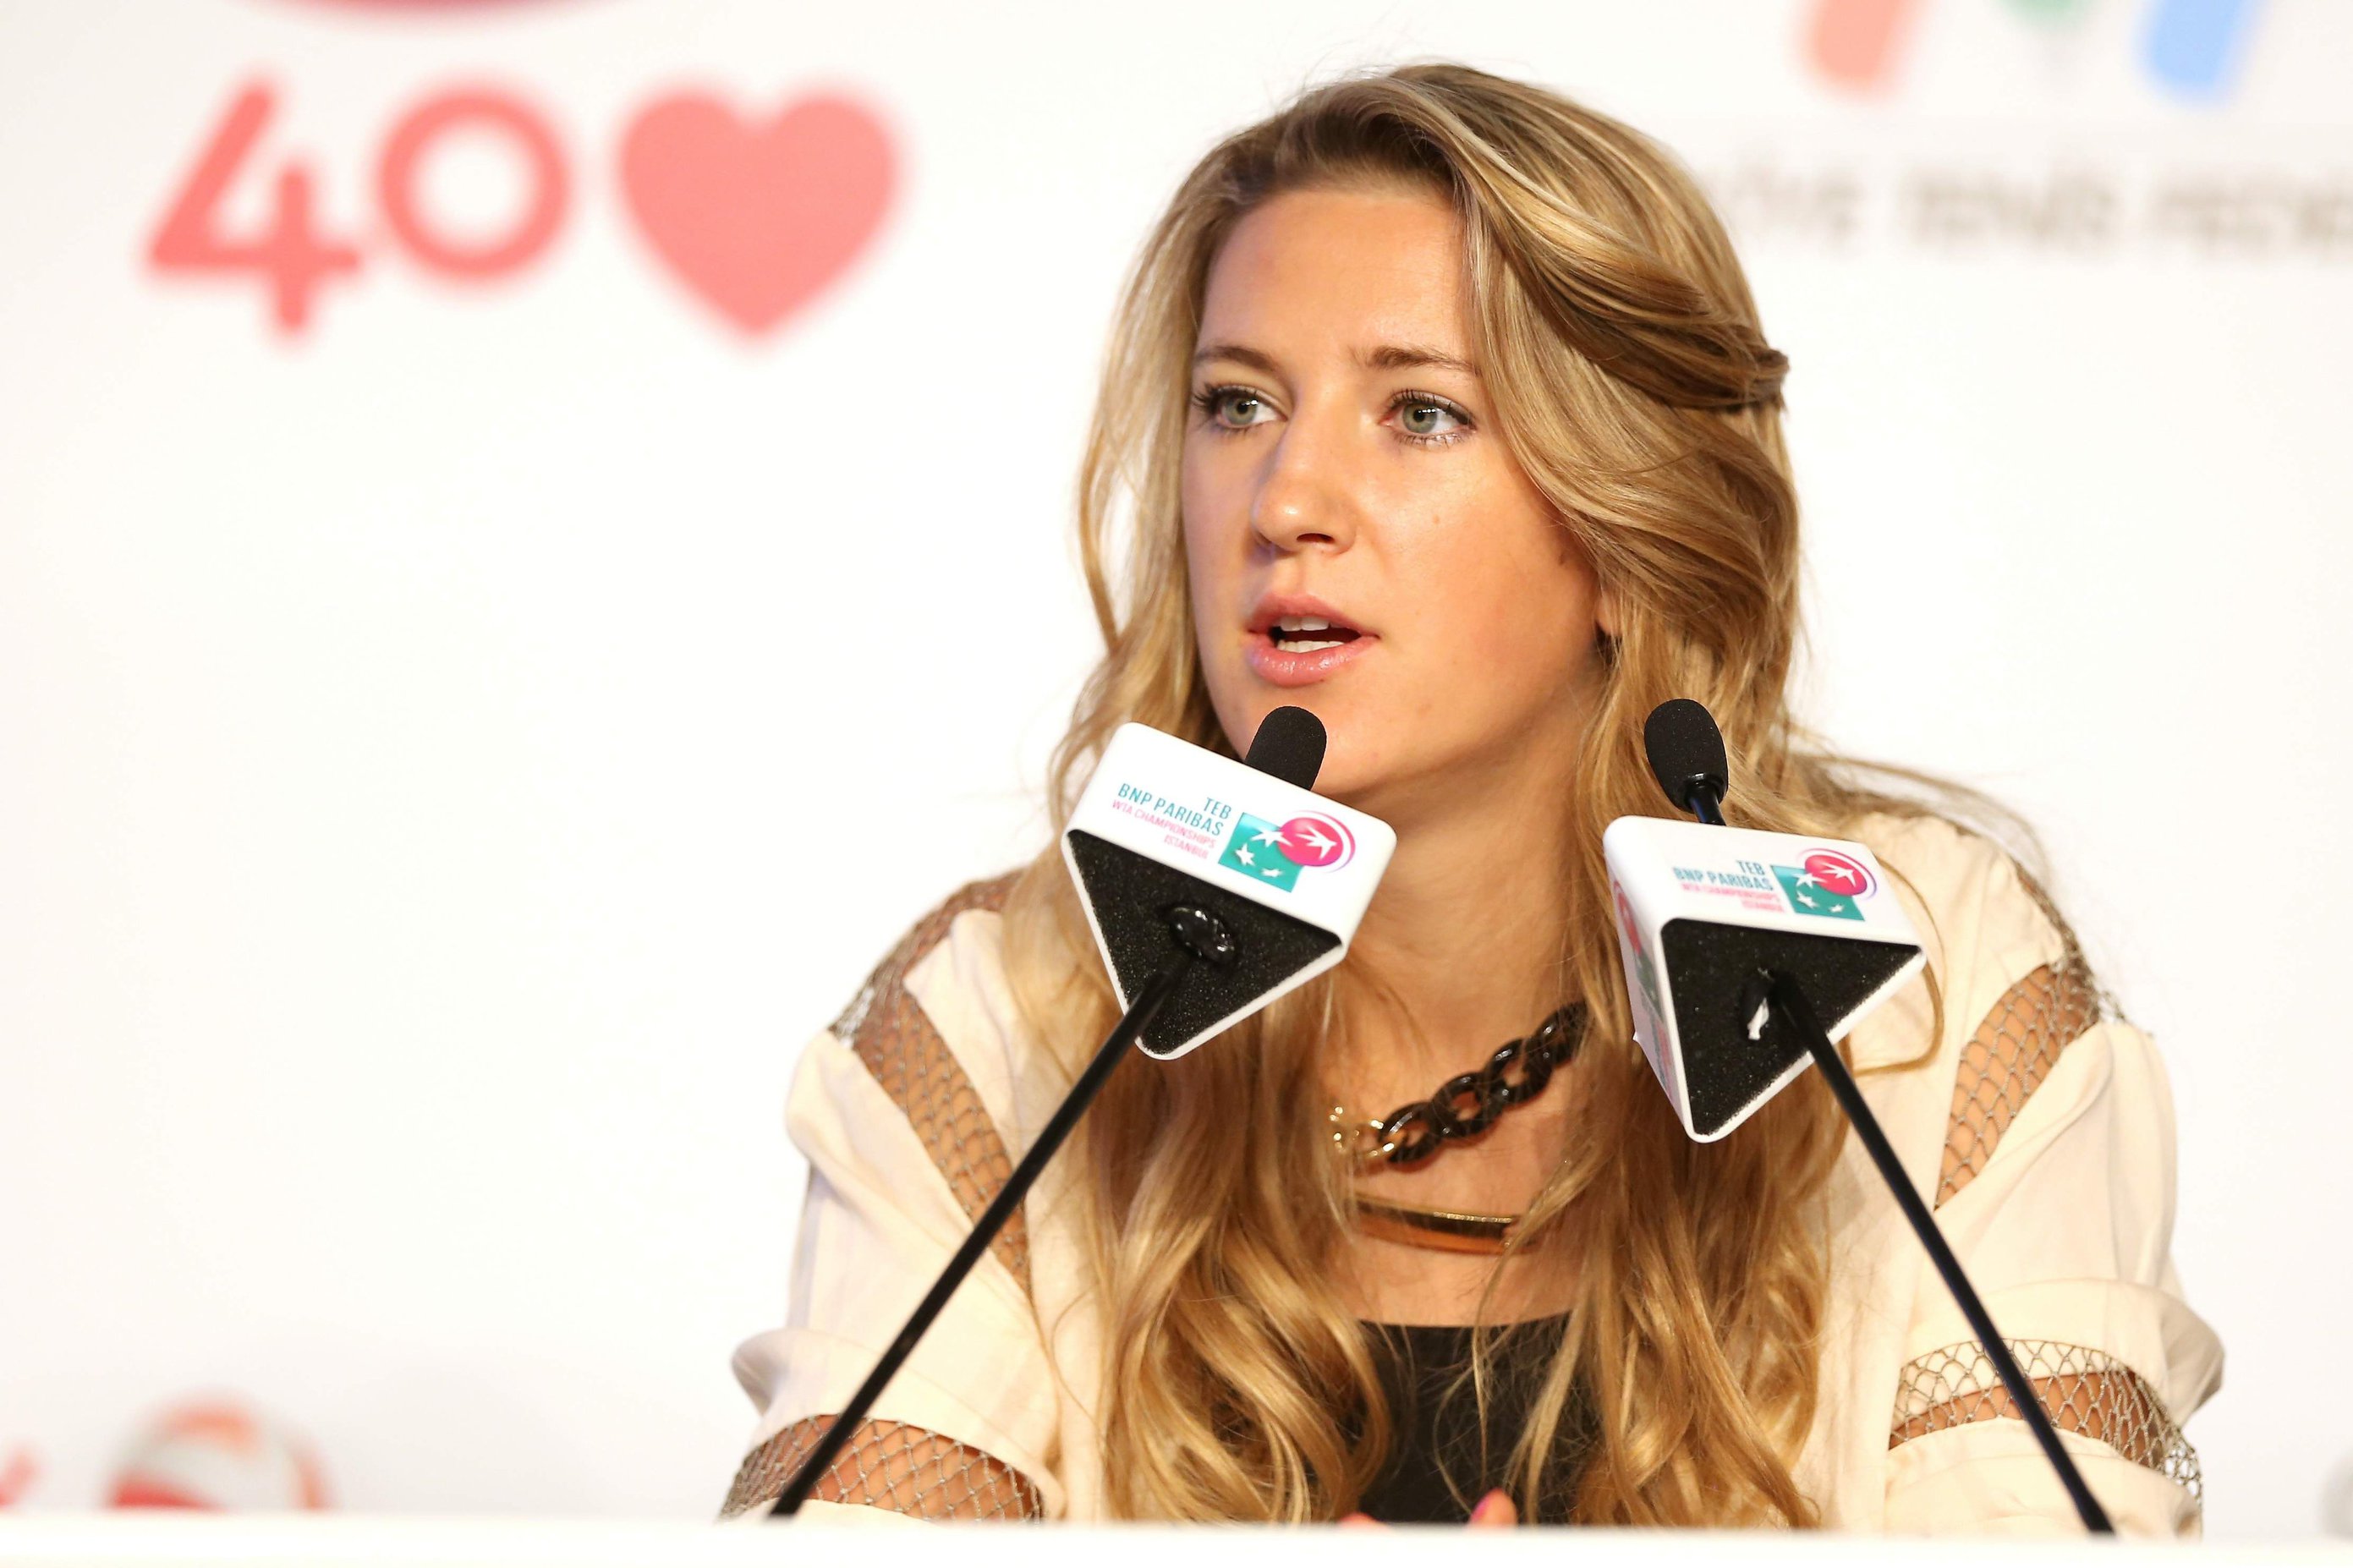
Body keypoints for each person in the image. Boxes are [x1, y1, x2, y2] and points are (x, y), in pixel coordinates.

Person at [721, 63, 2220, 1531]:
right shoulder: (1016, 1016)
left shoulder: (1917, 995)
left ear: (1628, 525)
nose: (1283, 502)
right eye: (1235, 404)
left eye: (1419, 414)